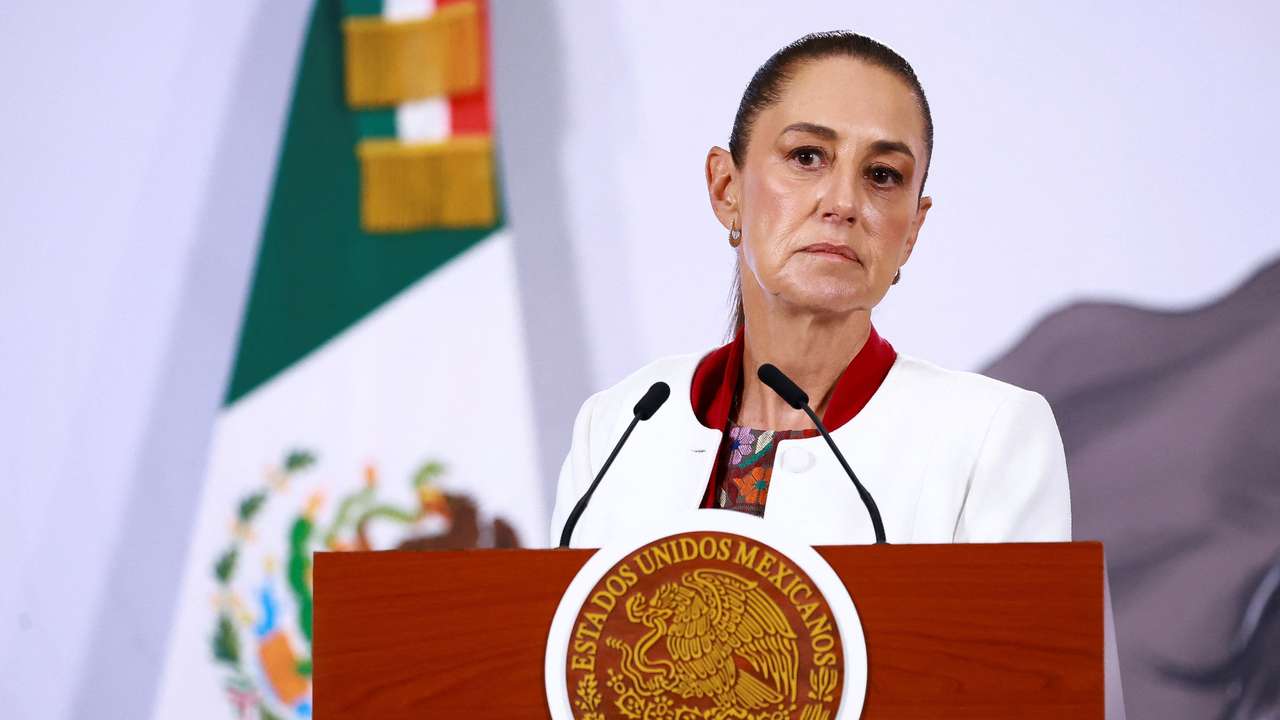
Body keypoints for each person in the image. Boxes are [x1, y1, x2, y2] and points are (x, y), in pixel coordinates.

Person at [550, 31, 1070, 548]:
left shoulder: (989, 437)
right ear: (726, 188)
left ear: (913, 228)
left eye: (883, 174)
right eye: (806, 157)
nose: (842, 202)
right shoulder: (622, 425)